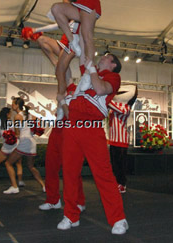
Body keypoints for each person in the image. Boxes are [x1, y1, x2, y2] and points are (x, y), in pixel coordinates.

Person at [58, 53, 129, 235]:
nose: (101, 58)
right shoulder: (90, 72)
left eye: (106, 57)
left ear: (113, 64)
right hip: (73, 125)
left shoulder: (113, 77)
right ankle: (71, 215)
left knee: (103, 174)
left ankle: (118, 218)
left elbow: (99, 89)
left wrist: (91, 69)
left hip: (92, 126)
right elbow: (84, 49)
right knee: (69, 173)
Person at [38, 83, 85, 212]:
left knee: (72, 171)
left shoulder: (77, 91)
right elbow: (60, 68)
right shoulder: (63, 89)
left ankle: (79, 201)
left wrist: (62, 101)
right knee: (51, 168)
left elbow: (71, 115)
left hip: (70, 133)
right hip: (57, 132)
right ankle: (52, 200)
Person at [3, 97, 45, 194]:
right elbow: (39, 120)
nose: (12, 105)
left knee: (8, 163)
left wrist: (12, 135)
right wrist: (34, 130)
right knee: (31, 166)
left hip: (24, 142)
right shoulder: (28, 114)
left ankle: (14, 186)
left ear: (17, 105)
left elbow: (17, 131)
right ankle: (44, 186)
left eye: (13, 104)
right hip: (31, 142)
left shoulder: (18, 116)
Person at [108, 85, 138, 194]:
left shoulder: (126, 108)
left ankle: (122, 184)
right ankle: (117, 182)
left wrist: (106, 96)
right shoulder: (116, 106)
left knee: (120, 164)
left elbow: (110, 104)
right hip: (113, 140)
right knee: (114, 163)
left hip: (121, 141)